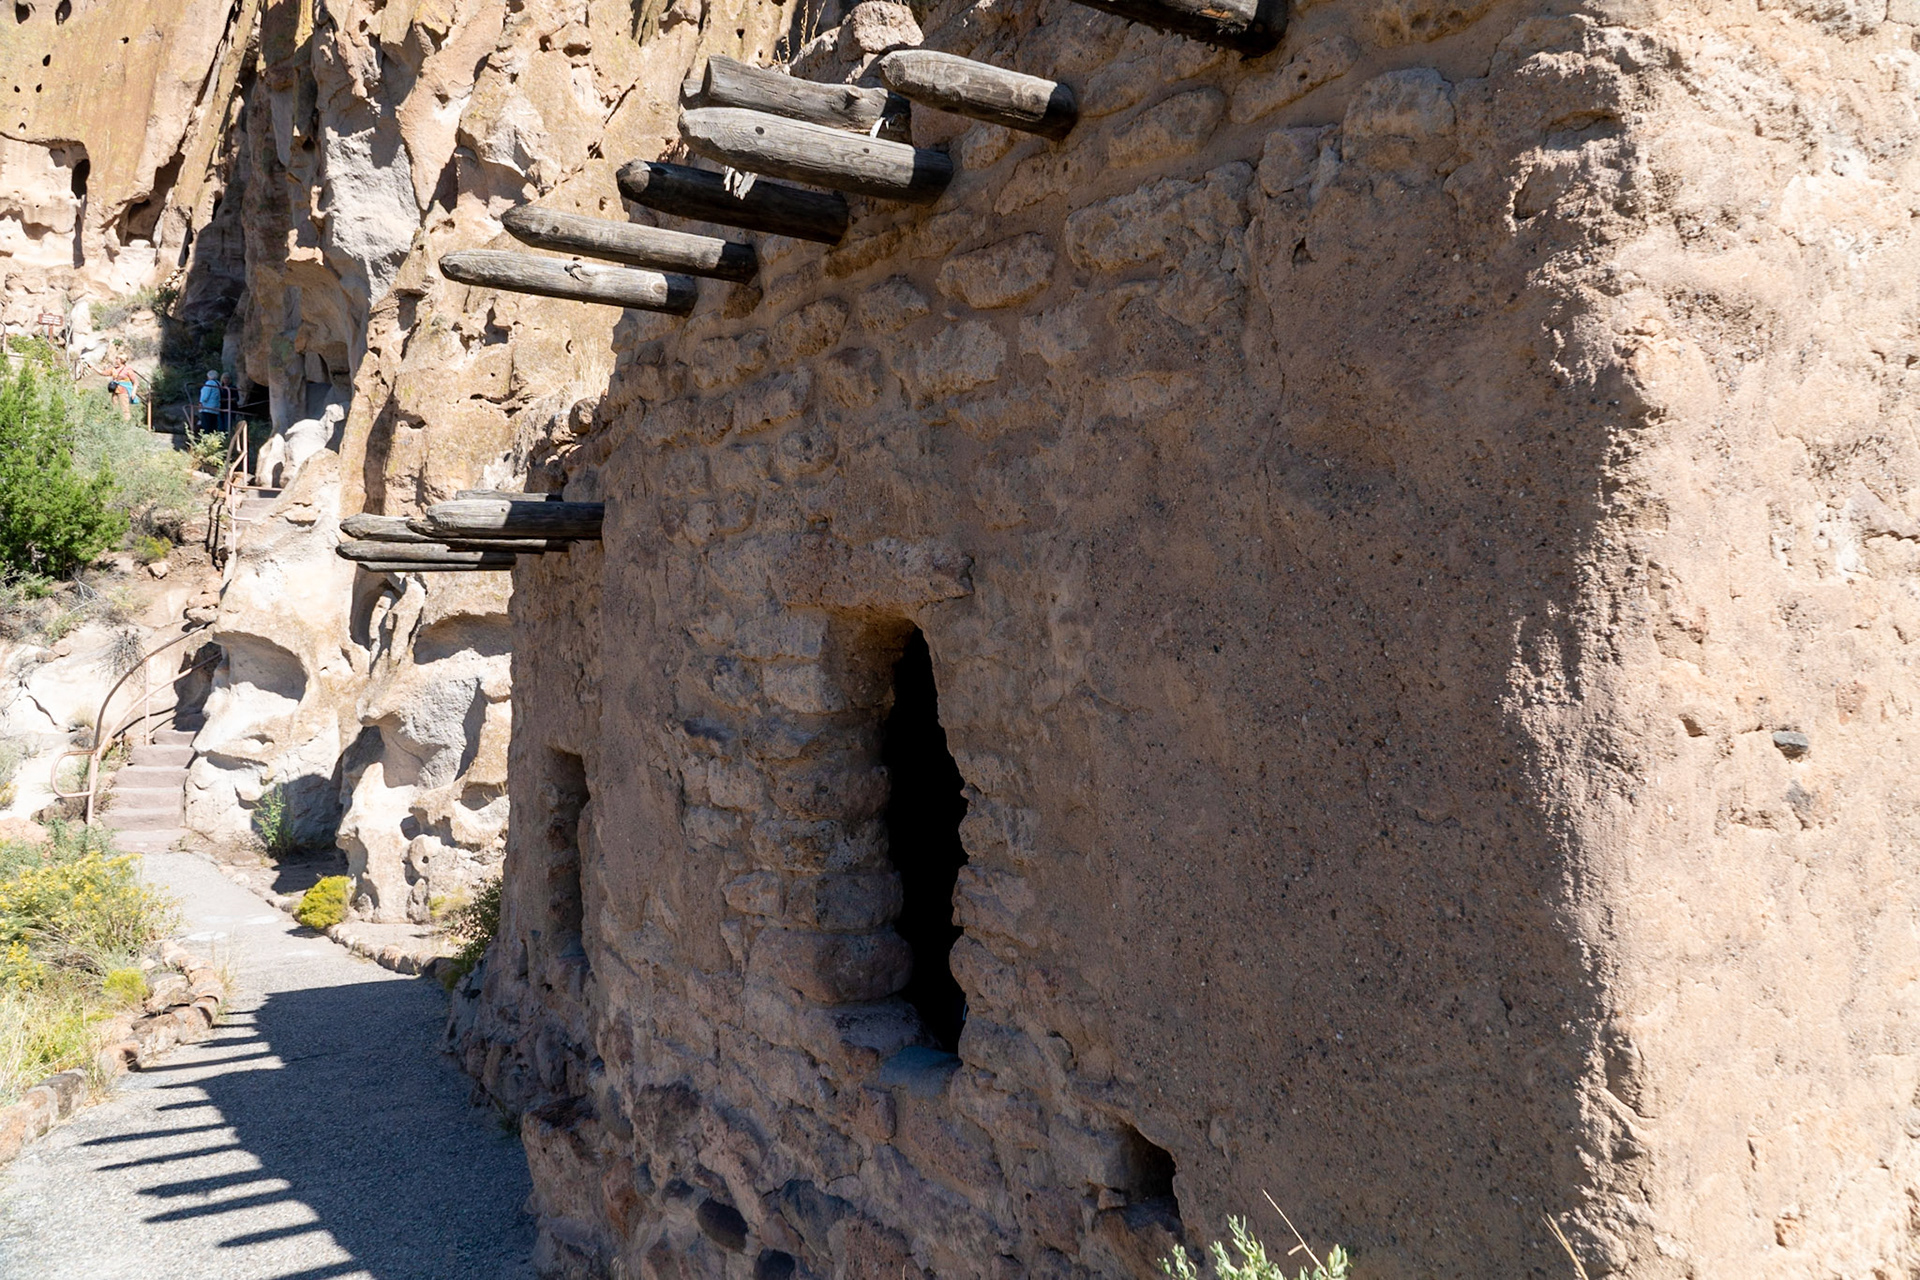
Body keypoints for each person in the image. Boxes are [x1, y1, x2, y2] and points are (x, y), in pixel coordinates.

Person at [108, 354, 138, 422]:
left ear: (121, 360)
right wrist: (93, 368)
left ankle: (126, 425)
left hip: (123, 391)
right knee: (114, 407)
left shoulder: (128, 370)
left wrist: (133, 392)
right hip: (115, 391)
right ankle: (116, 423)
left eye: (117, 358)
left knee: (125, 409)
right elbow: (103, 373)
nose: (116, 360)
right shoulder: (114, 369)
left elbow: (135, 382)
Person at [197, 370, 223, 436]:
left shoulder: (209, 383)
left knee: (206, 425)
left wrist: (201, 402)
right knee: (213, 425)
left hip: (207, 408)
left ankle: (206, 438)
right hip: (216, 408)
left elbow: (205, 395)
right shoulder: (218, 383)